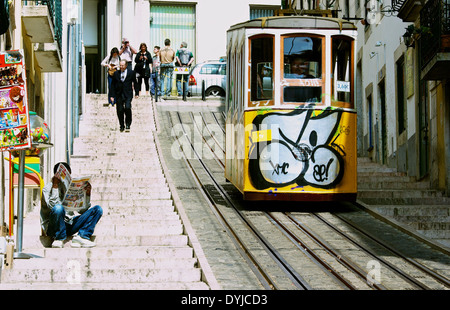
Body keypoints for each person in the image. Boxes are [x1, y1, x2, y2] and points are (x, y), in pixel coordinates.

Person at [41, 162, 103, 248]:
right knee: (58, 208)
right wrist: (55, 185)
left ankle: (82, 236)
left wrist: (87, 194)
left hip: (69, 224)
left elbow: (82, 211)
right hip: (53, 227)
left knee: (97, 209)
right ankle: (59, 238)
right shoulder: (47, 189)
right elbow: (53, 208)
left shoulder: (68, 188)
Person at [110, 60, 136, 132]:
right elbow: (112, 85)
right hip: (119, 94)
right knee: (120, 110)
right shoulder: (116, 73)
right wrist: (112, 95)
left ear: (126, 65)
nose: (121, 67)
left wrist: (137, 92)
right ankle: (121, 125)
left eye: (122, 65)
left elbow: (135, 82)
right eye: (120, 65)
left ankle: (128, 123)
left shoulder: (131, 73)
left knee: (127, 107)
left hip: (128, 93)